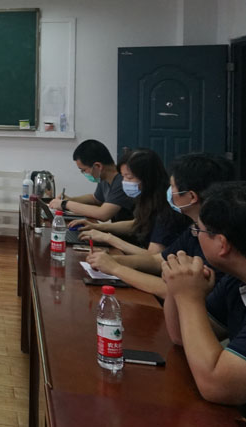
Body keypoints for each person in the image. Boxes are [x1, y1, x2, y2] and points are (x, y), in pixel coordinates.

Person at [87, 153, 235, 299]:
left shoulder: (217, 241)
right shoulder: (194, 228)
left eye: (173, 187)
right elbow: (158, 260)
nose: (169, 192)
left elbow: (176, 291)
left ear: (191, 197)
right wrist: (111, 260)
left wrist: (115, 268)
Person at [162, 181, 246, 405]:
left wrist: (188, 298)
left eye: (198, 230)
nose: (195, 235)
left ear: (222, 244)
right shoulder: (235, 281)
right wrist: (176, 284)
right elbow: (181, 336)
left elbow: (216, 386)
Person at [78, 148, 188, 254]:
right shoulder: (147, 196)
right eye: (123, 177)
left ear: (148, 178)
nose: (124, 182)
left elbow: (154, 257)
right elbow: (138, 223)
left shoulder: (167, 206)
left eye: (129, 177)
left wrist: (108, 238)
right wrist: (98, 227)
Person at [49, 139, 135, 222]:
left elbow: (103, 214)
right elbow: (95, 199)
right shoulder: (104, 178)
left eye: (84, 170)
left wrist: (65, 204)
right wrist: (71, 199)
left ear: (98, 166)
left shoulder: (122, 181)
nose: (84, 173)